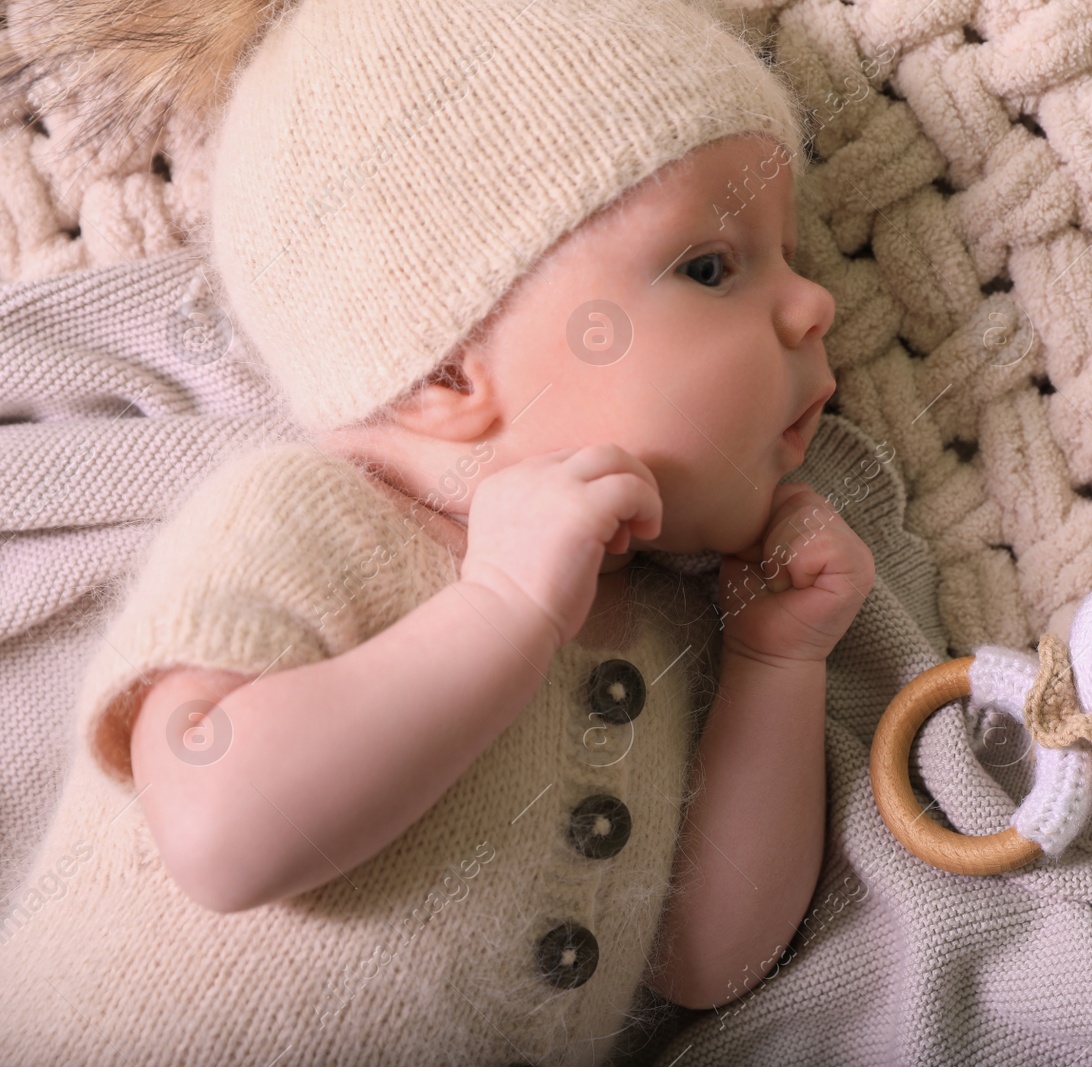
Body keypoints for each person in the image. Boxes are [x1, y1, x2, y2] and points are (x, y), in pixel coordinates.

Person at [0, 0, 874, 1063]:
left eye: (790, 253)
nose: (815, 303)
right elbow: (219, 833)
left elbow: (707, 963)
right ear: (445, 372)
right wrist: (499, 607)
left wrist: (775, 660)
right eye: (710, 265)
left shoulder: (656, 623)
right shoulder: (305, 517)